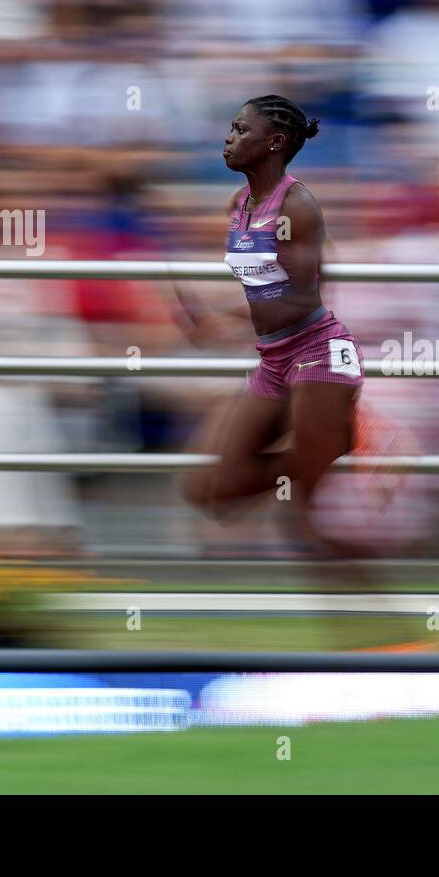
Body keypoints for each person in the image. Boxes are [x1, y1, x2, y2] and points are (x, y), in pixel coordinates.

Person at [181, 95, 367, 556]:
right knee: (212, 491)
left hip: (315, 352)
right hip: (273, 357)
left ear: (276, 143)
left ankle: (386, 624)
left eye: (242, 130)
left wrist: (226, 324)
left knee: (303, 520)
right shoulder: (239, 202)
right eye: (231, 127)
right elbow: (266, 290)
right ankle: (333, 447)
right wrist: (222, 320)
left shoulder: (296, 206)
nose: (229, 138)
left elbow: (304, 296)